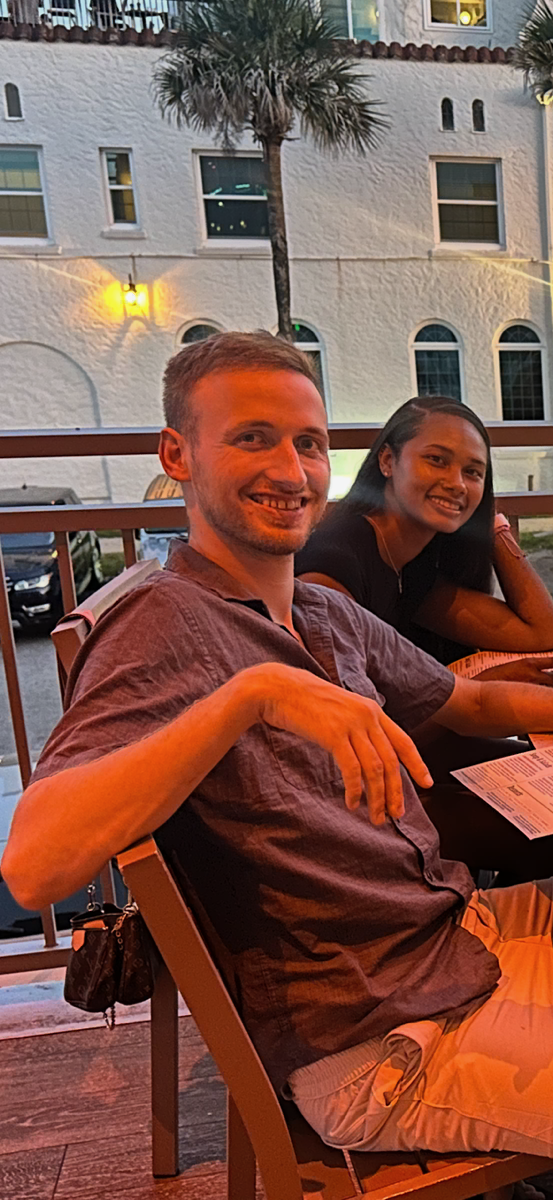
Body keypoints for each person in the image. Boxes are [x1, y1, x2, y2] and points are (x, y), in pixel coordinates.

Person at [6, 332, 553, 1159]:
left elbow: (468, 698)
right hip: (383, 1041)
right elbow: (35, 865)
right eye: (252, 438)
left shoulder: (320, 610)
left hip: (454, 938)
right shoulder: (165, 627)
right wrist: (249, 696)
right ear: (176, 454)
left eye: (309, 444)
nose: (292, 471)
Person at [295, 395, 553, 680]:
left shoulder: (411, 562)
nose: (457, 484)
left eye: (472, 472)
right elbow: (348, 715)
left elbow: (542, 633)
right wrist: (480, 690)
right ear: (388, 460)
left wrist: (490, 523)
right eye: (436, 460)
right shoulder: (333, 570)